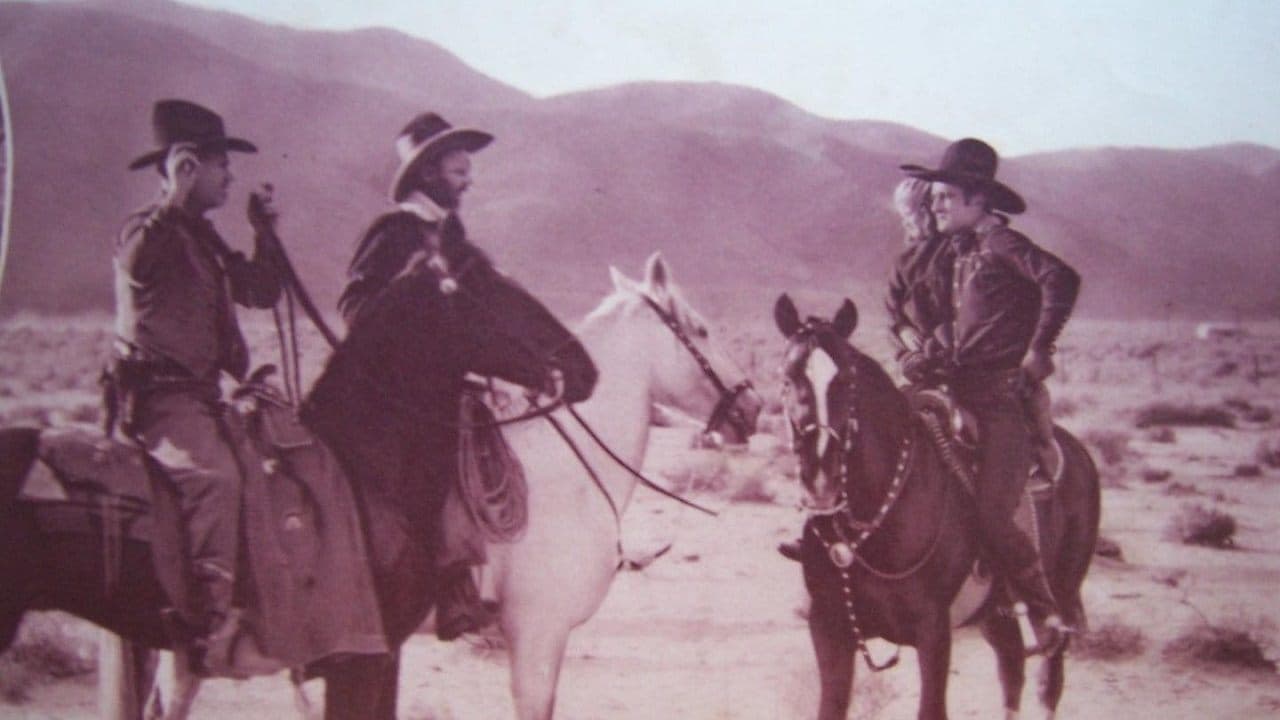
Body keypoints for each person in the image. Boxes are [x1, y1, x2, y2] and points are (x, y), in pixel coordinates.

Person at [112, 99, 282, 674]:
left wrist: (264, 233)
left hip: (204, 397)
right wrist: (173, 201)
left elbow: (260, 291)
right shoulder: (150, 231)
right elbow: (135, 267)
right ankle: (205, 624)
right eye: (219, 165)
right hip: (162, 400)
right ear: (187, 166)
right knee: (216, 478)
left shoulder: (204, 239)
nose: (229, 176)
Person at [897, 137, 1080, 651]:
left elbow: (1060, 278)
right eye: (935, 198)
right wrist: (924, 350)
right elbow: (962, 325)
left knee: (993, 516)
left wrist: (1041, 347)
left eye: (946, 197)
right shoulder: (957, 250)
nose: (936, 205)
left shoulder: (1002, 243)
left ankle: (1044, 614)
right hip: (951, 383)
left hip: (999, 400)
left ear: (979, 201)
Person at [337, 112, 499, 641]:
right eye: (458, 172)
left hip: (438, 389)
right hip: (394, 395)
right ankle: (446, 585)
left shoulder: (447, 233)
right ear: (428, 172)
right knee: (435, 465)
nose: (468, 180)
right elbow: (355, 306)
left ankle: (459, 582)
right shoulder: (396, 231)